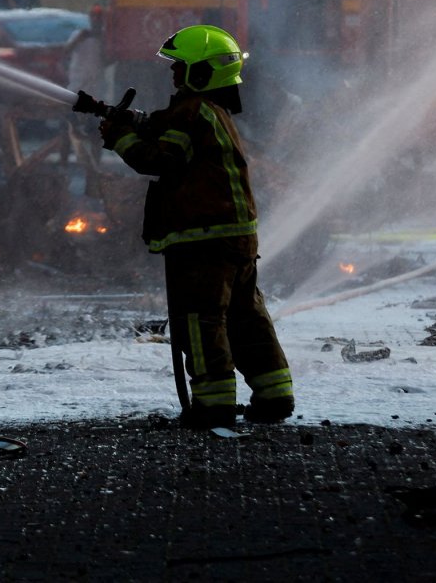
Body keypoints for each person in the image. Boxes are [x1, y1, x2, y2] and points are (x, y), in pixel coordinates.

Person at [92, 24, 294, 428]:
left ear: (200, 73)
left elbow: (160, 160)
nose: (172, 74)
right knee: (246, 318)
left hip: (203, 239)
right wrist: (139, 121)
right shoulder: (211, 112)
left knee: (201, 322)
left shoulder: (191, 112)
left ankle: (212, 404)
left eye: (179, 68)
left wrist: (120, 138)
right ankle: (275, 395)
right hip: (235, 237)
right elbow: (174, 136)